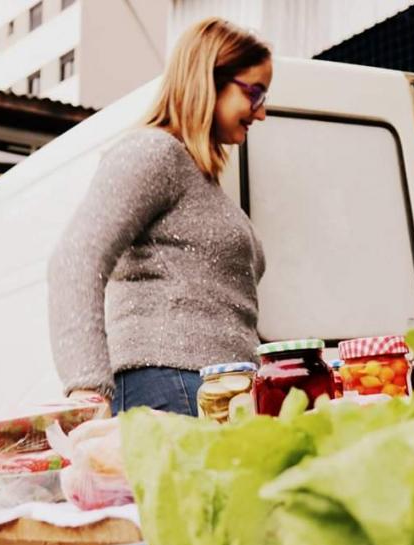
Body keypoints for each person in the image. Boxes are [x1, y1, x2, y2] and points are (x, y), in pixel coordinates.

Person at [48, 18, 271, 416]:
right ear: (207, 79)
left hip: (217, 392)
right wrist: (86, 387)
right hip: (168, 386)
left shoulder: (200, 179)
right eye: (254, 93)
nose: (262, 112)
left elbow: (221, 305)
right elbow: (76, 258)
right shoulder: (154, 154)